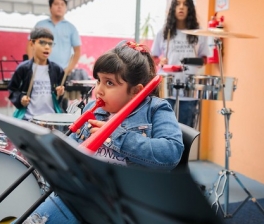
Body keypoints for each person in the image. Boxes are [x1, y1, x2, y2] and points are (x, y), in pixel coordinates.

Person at [13, 41, 184, 224]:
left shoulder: (156, 109)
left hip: (127, 204)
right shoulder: (93, 109)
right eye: (99, 81)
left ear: (136, 92)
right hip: (86, 196)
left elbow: (171, 153)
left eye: (109, 83)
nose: (99, 90)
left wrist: (116, 135)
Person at [151, 0, 209, 128]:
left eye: (185, 4)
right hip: (167, 87)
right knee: (163, 127)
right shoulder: (164, 32)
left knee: (186, 130)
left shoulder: (199, 33)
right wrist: (161, 61)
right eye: (178, 4)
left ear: (190, 8)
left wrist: (190, 61)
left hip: (189, 89)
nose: (181, 7)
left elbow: (204, 60)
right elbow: (153, 57)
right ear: (173, 8)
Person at [8, 28, 65, 121]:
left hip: (51, 120)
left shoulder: (57, 70)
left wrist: (60, 93)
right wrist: (21, 98)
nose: (47, 47)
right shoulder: (23, 68)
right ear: (32, 44)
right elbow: (13, 90)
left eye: (50, 44)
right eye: (42, 43)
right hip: (28, 118)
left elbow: (58, 99)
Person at [26, 0, 81, 75]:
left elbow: (77, 51)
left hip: (61, 71)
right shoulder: (40, 25)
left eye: (62, 4)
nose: (59, 7)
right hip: (40, 70)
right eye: (56, 4)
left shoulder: (71, 28)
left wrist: (69, 69)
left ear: (65, 8)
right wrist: (32, 64)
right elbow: (30, 45)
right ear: (50, 8)